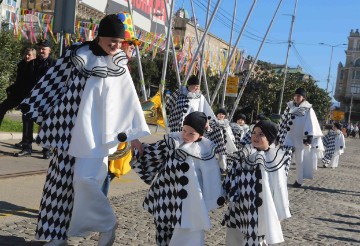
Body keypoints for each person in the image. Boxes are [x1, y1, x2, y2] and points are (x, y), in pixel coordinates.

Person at [20, 14, 150, 246]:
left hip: (98, 136)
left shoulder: (119, 64)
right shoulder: (77, 55)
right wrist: (39, 110)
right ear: (99, 36)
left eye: (120, 42)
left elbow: (128, 100)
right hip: (67, 130)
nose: (116, 46)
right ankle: (55, 235)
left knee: (85, 180)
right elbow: (54, 82)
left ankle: (106, 223)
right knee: (58, 184)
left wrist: (135, 136)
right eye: (113, 40)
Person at [131, 112, 224, 246]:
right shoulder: (172, 142)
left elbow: (212, 178)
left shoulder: (205, 152)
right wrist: (137, 145)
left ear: (201, 135)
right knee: (162, 230)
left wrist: (215, 198)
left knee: (184, 236)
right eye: (184, 130)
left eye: (191, 133)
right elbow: (152, 152)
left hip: (189, 204)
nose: (185, 135)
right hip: (165, 196)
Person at [222, 120, 291, 246]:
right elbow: (232, 176)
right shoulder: (244, 155)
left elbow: (280, 187)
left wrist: (280, 214)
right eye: (254, 132)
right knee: (234, 237)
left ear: (269, 137)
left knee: (255, 238)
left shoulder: (274, 160)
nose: (255, 136)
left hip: (259, 210)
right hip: (239, 205)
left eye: (261, 134)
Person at [101, 12, 142, 196]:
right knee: (103, 171)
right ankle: (94, 209)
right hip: (106, 129)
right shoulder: (112, 64)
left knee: (108, 172)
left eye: (133, 45)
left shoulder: (124, 66)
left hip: (117, 130)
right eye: (130, 44)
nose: (132, 48)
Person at [15, 40, 55, 158]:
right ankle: (26, 147)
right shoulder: (32, 64)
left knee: (46, 123)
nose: (41, 51)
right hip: (31, 98)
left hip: (47, 99)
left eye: (44, 49)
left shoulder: (55, 64)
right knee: (27, 121)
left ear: (49, 50)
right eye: (39, 49)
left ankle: (46, 149)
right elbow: (24, 81)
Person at [277, 87, 323, 187]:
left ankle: (299, 180)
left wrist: (309, 138)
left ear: (303, 98)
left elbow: (311, 123)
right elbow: (283, 122)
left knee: (299, 160)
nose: (297, 97)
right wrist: (279, 135)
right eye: (296, 95)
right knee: (284, 157)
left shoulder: (308, 108)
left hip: (300, 138)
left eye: (299, 96)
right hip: (288, 137)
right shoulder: (289, 106)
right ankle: (281, 178)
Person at [0, 48, 36, 126]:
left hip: (28, 96)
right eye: (25, 54)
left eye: (29, 55)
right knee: (2, 107)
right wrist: (10, 89)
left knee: (26, 115)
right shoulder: (21, 65)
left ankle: (27, 137)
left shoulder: (35, 67)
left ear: (34, 56)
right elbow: (19, 81)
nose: (26, 56)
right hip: (17, 94)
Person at [205, 108, 237, 172]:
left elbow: (230, 133)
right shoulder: (213, 122)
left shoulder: (227, 123)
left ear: (224, 115)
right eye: (219, 114)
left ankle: (223, 169)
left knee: (224, 156)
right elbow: (209, 132)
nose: (221, 115)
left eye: (222, 114)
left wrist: (233, 139)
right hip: (216, 142)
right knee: (216, 156)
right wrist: (208, 128)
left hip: (225, 142)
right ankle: (215, 169)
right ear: (217, 115)